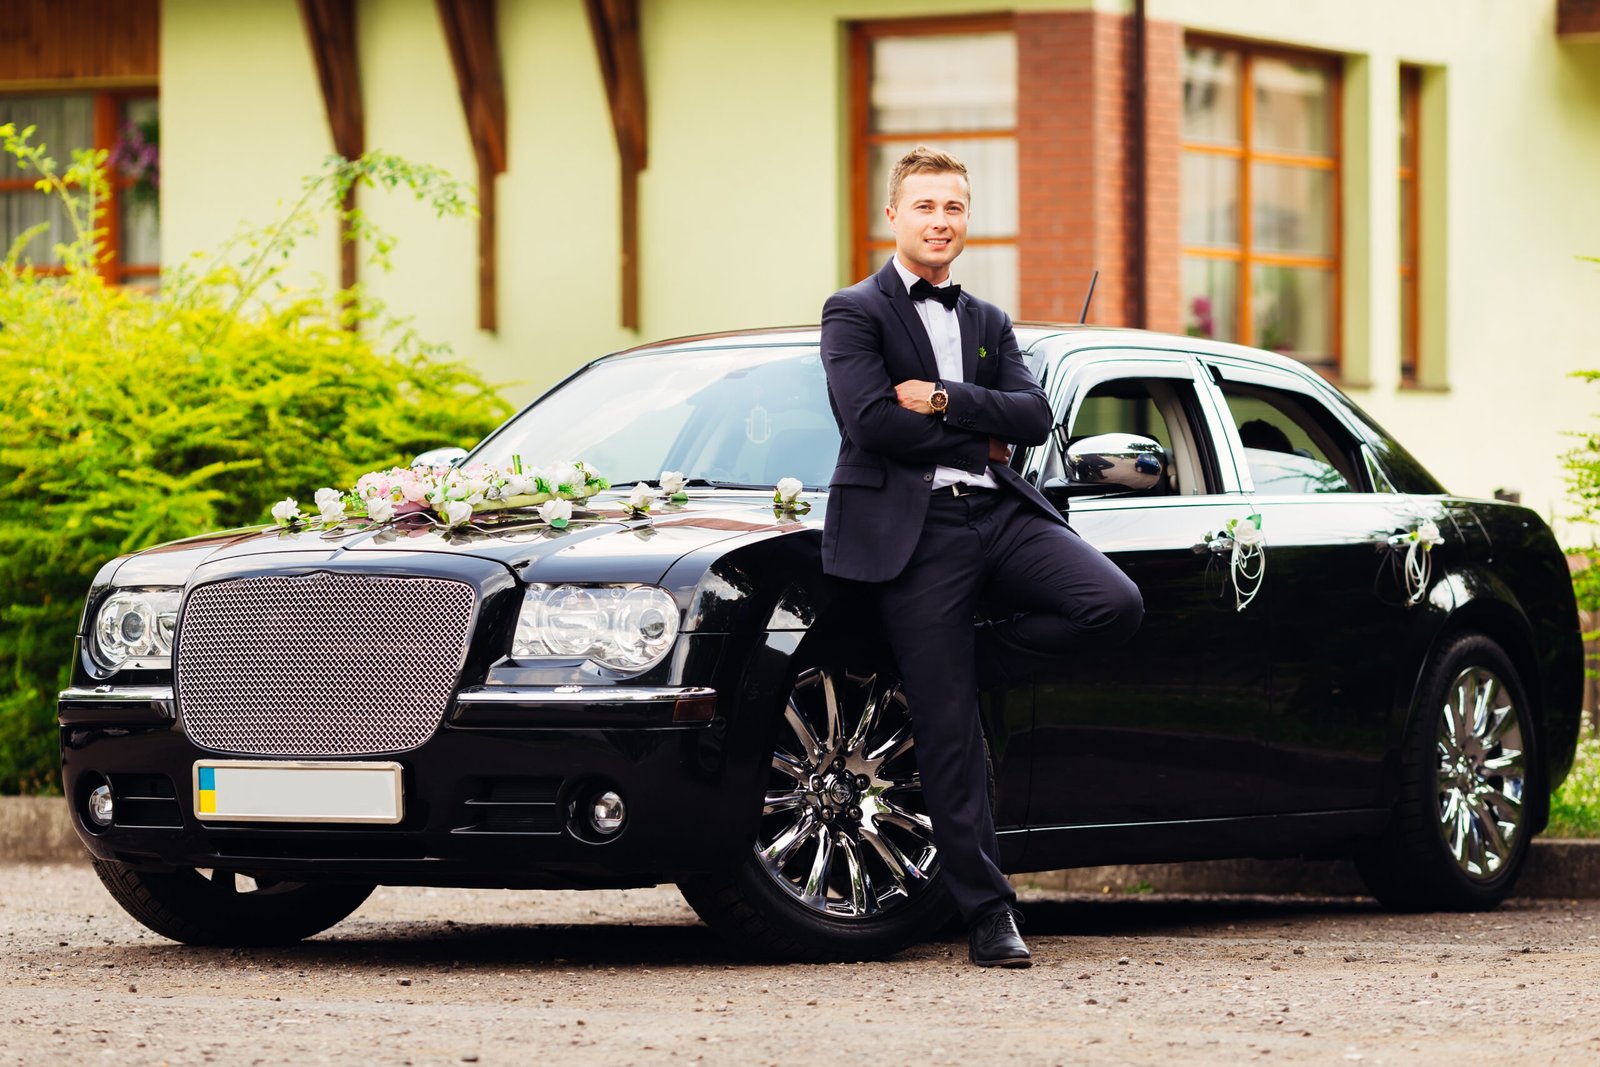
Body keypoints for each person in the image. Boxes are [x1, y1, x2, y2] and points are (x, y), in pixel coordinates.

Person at [819, 145, 1144, 968]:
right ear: (893, 215)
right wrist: (979, 420)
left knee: (1112, 603)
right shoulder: (853, 310)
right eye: (925, 206)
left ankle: (959, 664)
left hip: (998, 510)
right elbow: (871, 424)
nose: (940, 221)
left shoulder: (989, 321)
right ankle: (988, 911)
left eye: (954, 207)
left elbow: (1034, 417)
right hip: (914, 528)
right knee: (948, 727)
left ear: (969, 219)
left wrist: (941, 397)